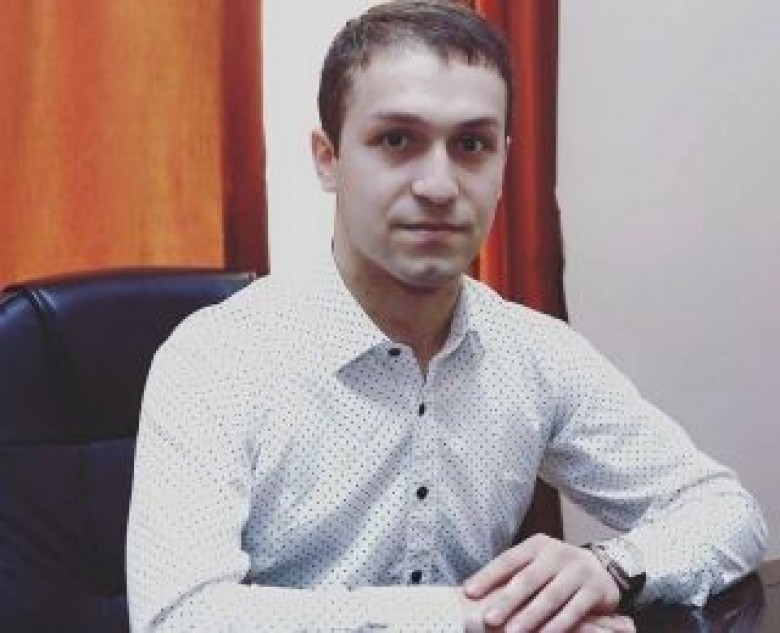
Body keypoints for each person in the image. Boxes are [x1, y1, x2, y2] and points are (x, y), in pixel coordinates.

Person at [126, 1, 767, 631]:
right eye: (396, 140)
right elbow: (181, 616)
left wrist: (612, 568)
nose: (438, 185)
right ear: (328, 158)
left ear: (502, 164)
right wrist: (474, 616)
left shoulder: (536, 353)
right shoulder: (217, 360)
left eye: (471, 145)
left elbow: (725, 510)